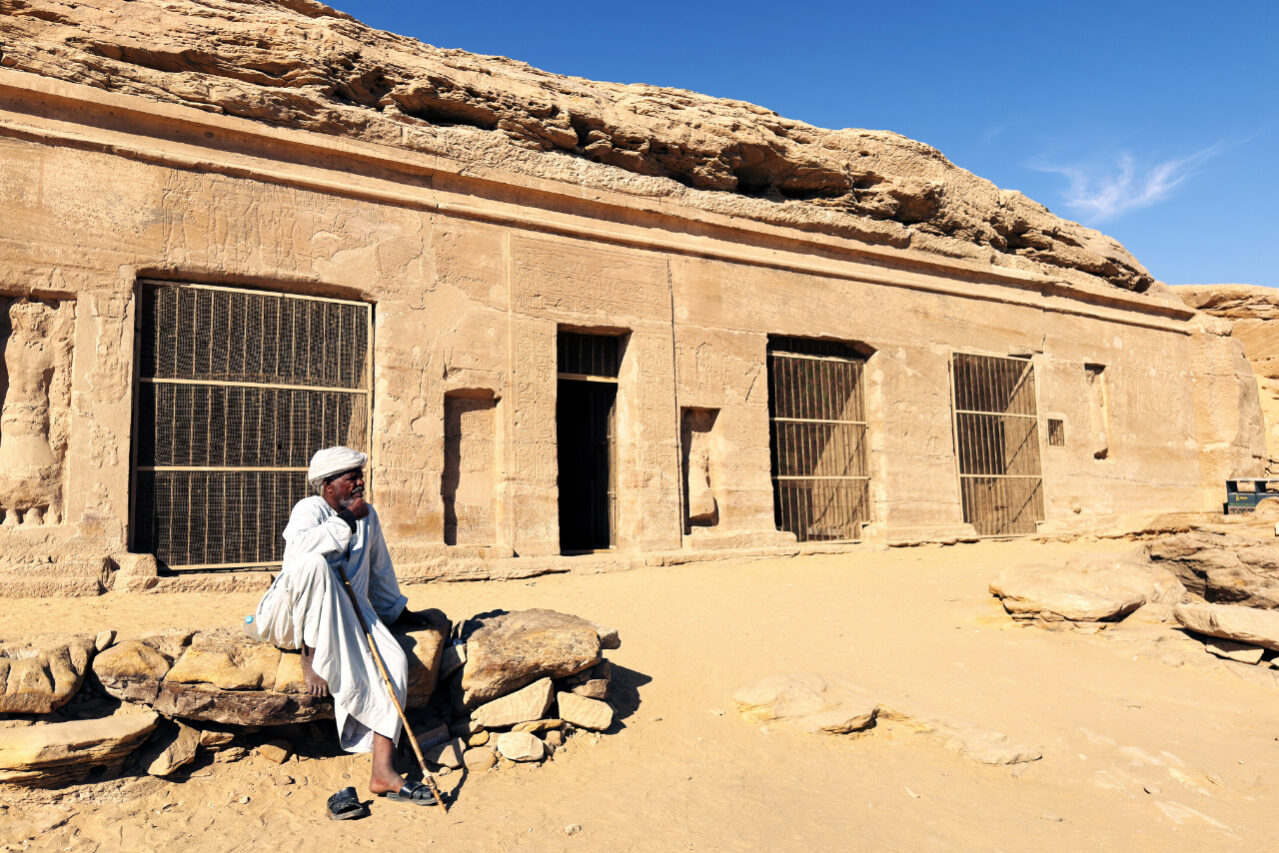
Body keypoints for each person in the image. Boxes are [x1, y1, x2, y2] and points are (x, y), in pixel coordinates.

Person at [247, 445, 437, 806]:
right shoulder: (310, 509)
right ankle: (311, 658)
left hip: (351, 612)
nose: (360, 483)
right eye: (352, 478)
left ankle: (383, 771)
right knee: (314, 565)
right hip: (294, 618)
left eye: (360, 476)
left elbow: (380, 571)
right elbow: (295, 561)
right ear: (329, 485)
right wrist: (347, 520)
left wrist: (399, 612)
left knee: (395, 662)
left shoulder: (369, 516)